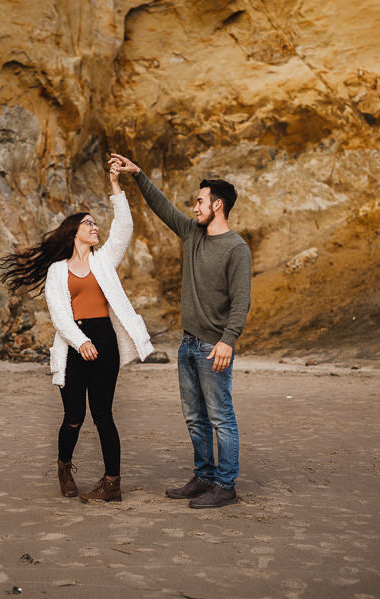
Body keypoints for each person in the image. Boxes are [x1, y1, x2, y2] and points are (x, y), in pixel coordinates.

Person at [0, 161, 153, 503]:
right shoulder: (56, 271)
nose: (95, 227)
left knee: (103, 416)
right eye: (88, 223)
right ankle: (64, 467)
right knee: (73, 417)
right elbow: (59, 315)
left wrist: (115, 185)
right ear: (74, 232)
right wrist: (81, 343)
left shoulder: (104, 260)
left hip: (106, 341)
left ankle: (112, 484)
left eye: (96, 223)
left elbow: (124, 226)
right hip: (72, 345)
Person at [109, 153, 251, 509]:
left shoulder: (237, 249)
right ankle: (203, 477)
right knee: (194, 416)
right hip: (187, 344)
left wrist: (227, 341)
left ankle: (225, 485)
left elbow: (241, 301)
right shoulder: (192, 234)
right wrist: (137, 174)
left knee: (220, 417)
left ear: (218, 205)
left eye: (200, 201)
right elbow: (163, 206)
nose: (195, 206)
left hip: (213, 347)